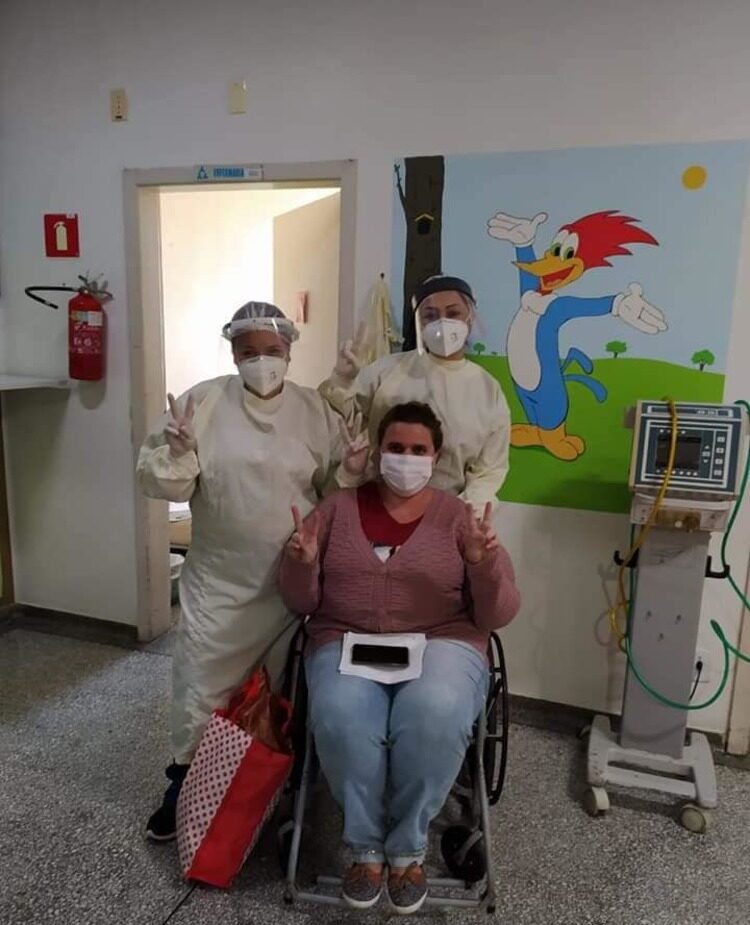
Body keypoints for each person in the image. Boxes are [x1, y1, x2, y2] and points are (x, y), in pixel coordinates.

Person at [278, 401, 520, 914]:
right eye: (395, 447)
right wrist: (302, 564)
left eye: (417, 449)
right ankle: (366, 850)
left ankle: (408, 850)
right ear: (377, 452)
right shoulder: (336, 509)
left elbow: (497, 614)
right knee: (342, 715)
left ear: (436, 457)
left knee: (434, 711)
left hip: (442, 639)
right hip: (345, 636)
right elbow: (301, 602)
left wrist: (484, 563)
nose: (406, 458)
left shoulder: (459, 518)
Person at [137, 301, 353, 842]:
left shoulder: (314, 411)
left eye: (272, 350)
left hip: (288, 585)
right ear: (233, 353)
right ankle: (185, 784)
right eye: (249, 351)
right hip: (219, 583)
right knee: (201, 688)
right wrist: (178, 453)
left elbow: (334, 490)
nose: (262, 361)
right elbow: (163, 483)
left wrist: (350, 472)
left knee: (281, 692)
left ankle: (270, 786)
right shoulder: (202, 403)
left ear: (290, 350)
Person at [319, 275, 511, 510]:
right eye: (430, 315)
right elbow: (336, 421)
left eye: (453, 314)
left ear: (470, 318)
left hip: (447, 512)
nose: (442, 323)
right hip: (375, 506)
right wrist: (342, 381)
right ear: (419, 322)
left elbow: (489, 470)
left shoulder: (487, 390)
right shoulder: (386, 371)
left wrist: (459, 514)